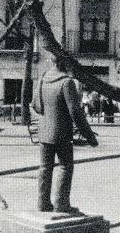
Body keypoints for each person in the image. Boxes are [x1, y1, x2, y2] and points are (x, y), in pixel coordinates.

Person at [32, 53, 98, 213]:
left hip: (44, 132)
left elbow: (35, 105)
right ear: (64, 63)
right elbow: (75, 112)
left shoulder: (42, 78)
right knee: (65, 167)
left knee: (45, 168)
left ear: (51, 61)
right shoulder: (66, 82)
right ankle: (61, 204)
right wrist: (89, 136)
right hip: (62, 133)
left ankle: (43, 203)